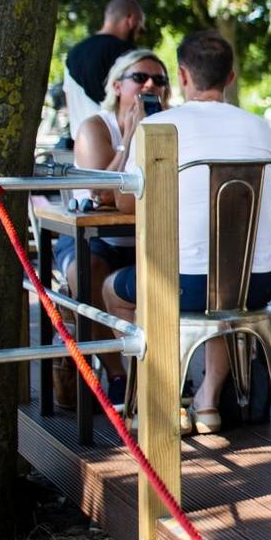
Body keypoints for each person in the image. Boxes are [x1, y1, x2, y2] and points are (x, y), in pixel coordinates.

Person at [102, 31, 271, 436]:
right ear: (231, 76)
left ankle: (161, 394)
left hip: (183, 285)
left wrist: (134, 134)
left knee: (115, 290)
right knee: (221, 284)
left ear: (182, 75)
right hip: (258, 286)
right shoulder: (260, 128)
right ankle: (208, 400)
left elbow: (125, 204)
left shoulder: (160, 125)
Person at [51, 48, 171, 408]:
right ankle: (117, 374)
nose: (150, 85)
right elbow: (101, 190)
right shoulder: (95, 127)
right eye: (141, 78)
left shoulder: (169, 127)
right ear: (118, 86)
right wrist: (133, 135)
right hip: (91, 240)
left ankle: (163, 376)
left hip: (144, 237)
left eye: (160, 80)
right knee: (87, 271)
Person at [64, 0, 148, 133]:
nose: (140, 35)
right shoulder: (129, 55)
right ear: (131, 20)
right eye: (141, 29)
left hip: (79, 144)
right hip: (117, 144)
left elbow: (69, 99)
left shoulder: (73, 53)